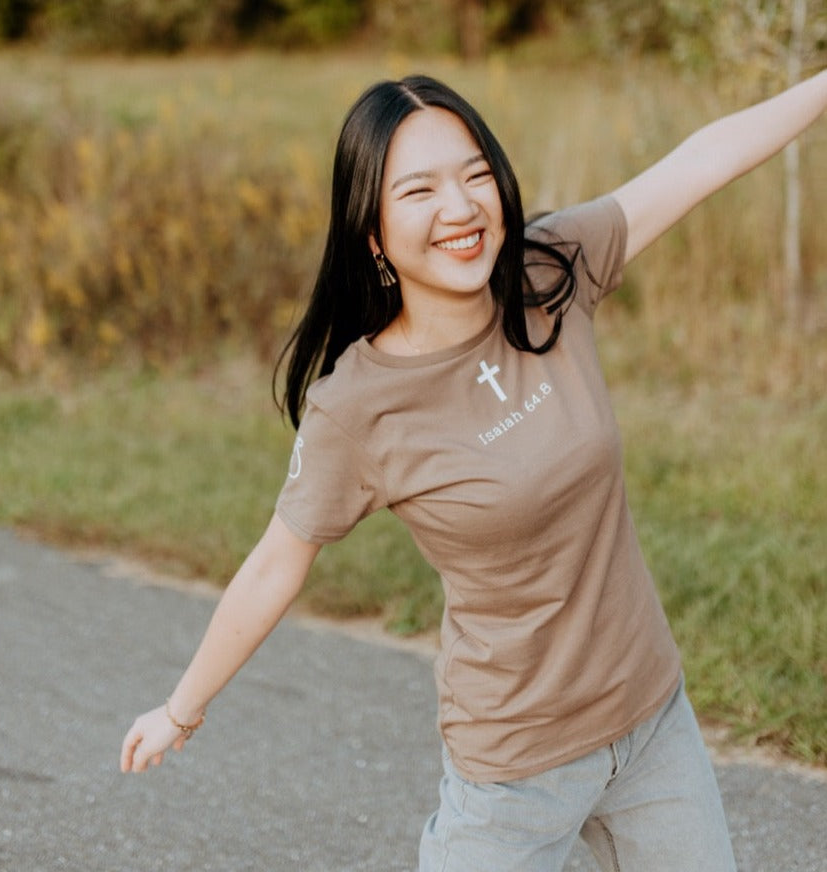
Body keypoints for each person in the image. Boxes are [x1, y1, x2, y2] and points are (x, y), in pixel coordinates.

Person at [121, 69, 827, 871]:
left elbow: (702, 160)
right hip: (515, 769)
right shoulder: (356, 408)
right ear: (373, 234)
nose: (459, 209)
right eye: (418, 190)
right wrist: (181, 710)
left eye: (475, 174)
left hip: (652, 722)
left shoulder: (550, 270)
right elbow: (273, 567)